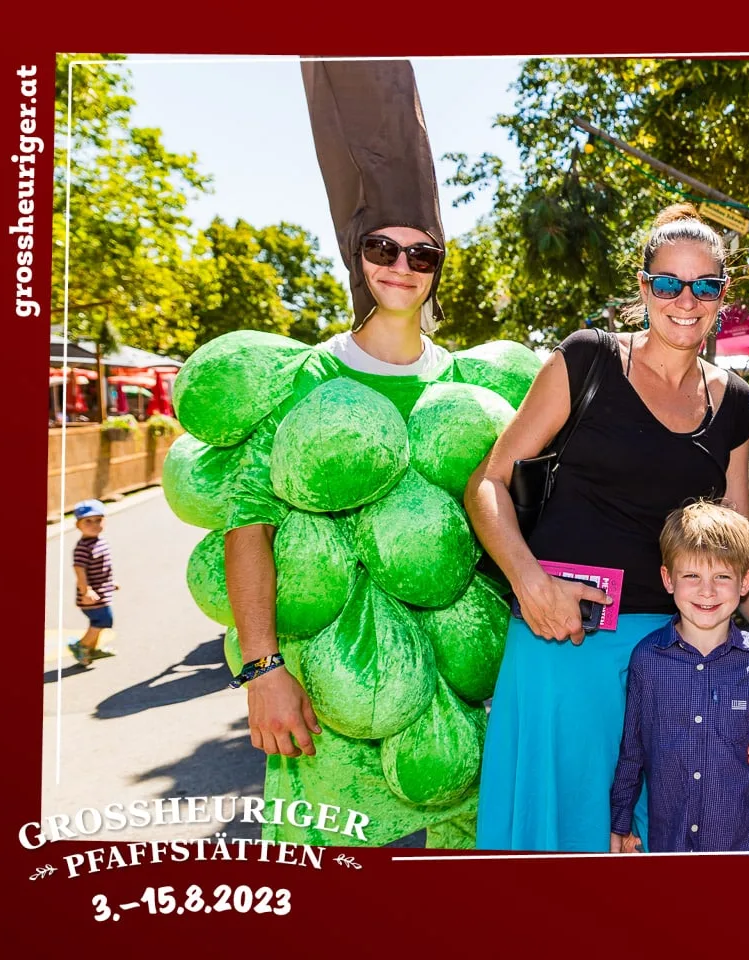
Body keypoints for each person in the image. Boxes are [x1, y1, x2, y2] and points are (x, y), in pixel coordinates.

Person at [176, 59, 520, 849]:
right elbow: (248, 527)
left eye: (422, 255)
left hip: (456, 716)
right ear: (356, 254)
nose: (401, 267)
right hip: (327, 711)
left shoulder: (469, 387)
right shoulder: (306, 378)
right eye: (382, 248)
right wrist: (262, 671)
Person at [469, 203, 749, 852]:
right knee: (557, 848)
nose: (686, 300)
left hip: (681, 660)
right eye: (669, 282)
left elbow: (740, 546)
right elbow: (488, 483)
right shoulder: (586, 360)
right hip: (563, 643)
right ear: (644, 286)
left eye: (705, 285)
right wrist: (529, 582)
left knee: (667, 848)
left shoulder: (734, 400)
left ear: (723, 295)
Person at [609, 500, 749, 853]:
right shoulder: (646, 661)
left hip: (748, 853)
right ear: (668, 579)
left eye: (722, 577)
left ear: (745, 581)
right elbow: (631, 756)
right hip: (672, 851)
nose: (707, 591)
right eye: (692, 576)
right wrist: (619, 827)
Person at [69, 499, 117, 668]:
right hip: (91, 596)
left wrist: (110, 582)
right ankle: (81, 645)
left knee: (99, 622)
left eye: (98, 520)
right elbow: (79, 570)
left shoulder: (99, 541)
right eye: (88, 521)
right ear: (78, 525)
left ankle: (92, 649)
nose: (94, 525)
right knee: (103, 620)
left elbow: (103, 568)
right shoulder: (83, 547)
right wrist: (86, 591)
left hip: (102, 591)